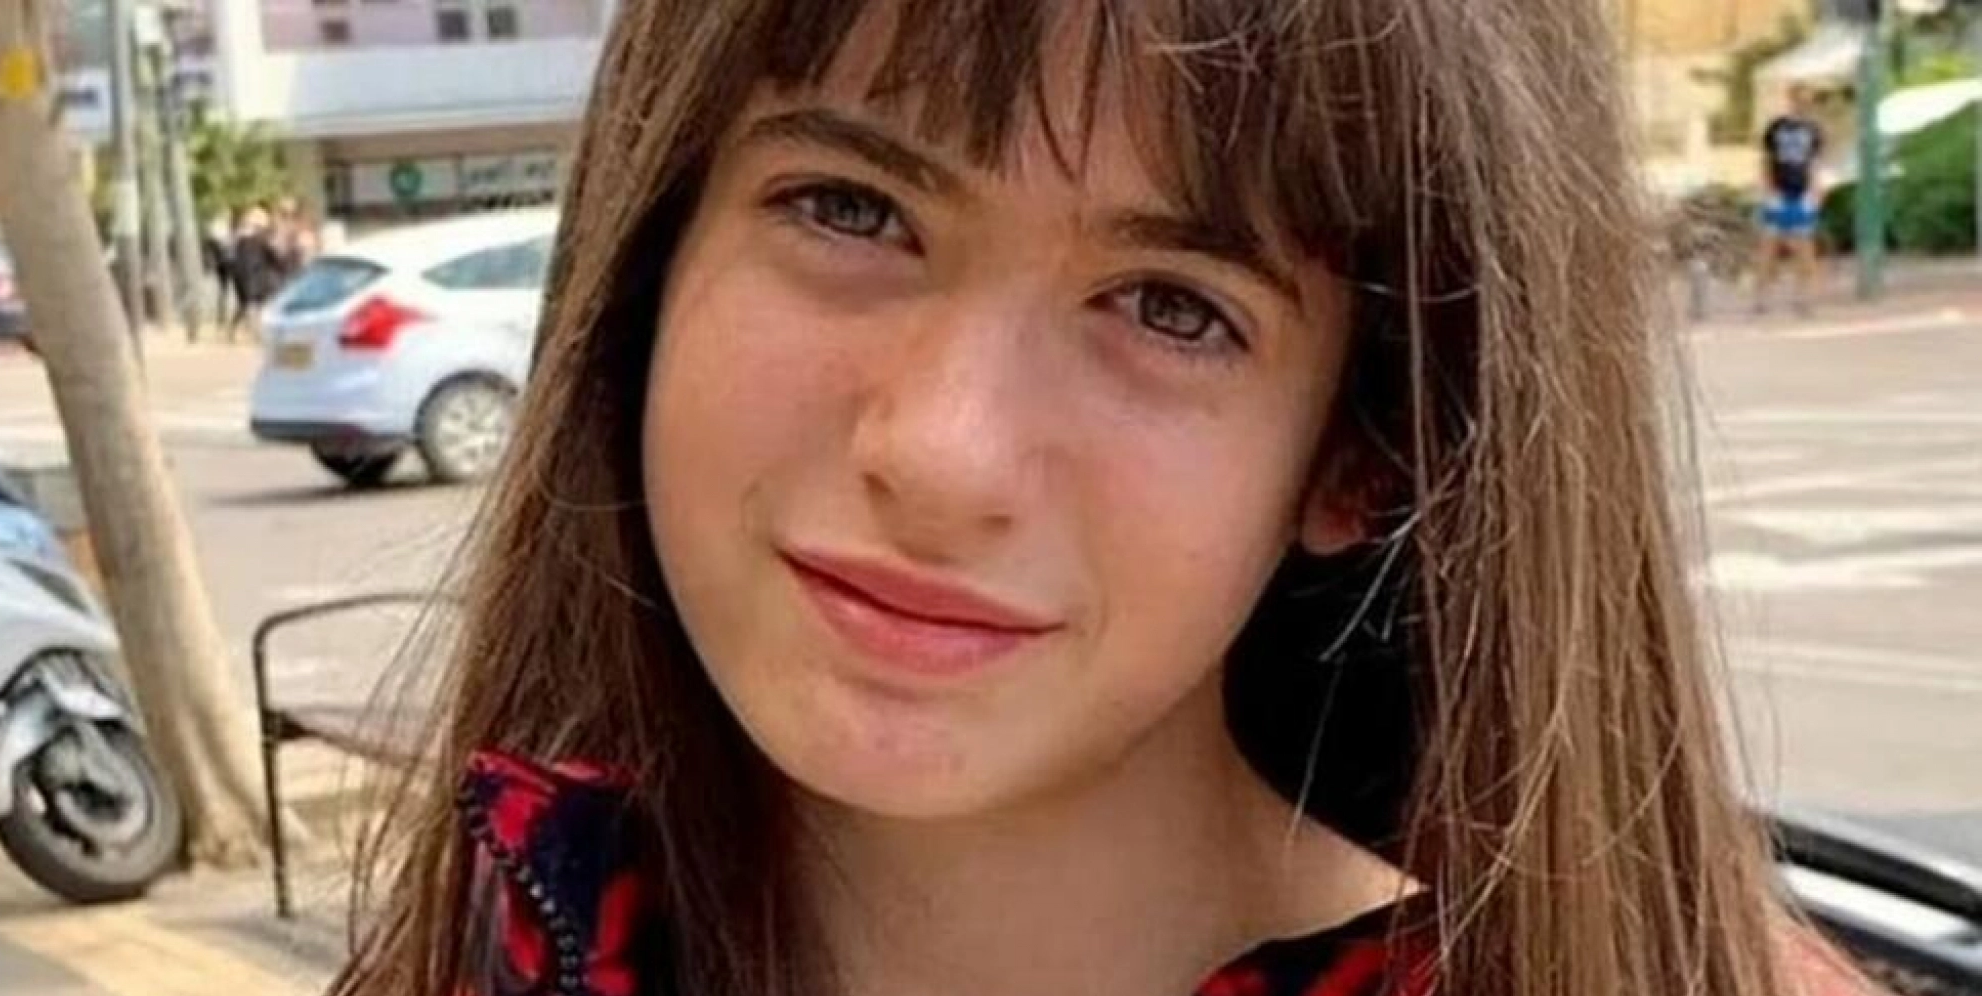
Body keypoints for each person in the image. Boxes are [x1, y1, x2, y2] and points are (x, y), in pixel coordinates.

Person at [332, 4, 1875, 996]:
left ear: (1365, 454)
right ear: (655, 255)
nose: (945, 453)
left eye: (1173, 307)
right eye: (851, 207)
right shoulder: (508, 931)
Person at [1755, 85, 1826, 316]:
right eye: (1799, 100)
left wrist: (1815, 191)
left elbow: (1815, 163)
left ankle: (1804, 298)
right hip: (1778, 193)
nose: (1803, 105)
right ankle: (1762, 297)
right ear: (1791, 100)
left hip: (1801, 193)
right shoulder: (1776, 128)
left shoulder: (1814, 131)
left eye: (1807, 101)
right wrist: (1767, 190)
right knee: (1769, 247)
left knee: (1804, 249)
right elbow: (1766, 160)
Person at [228, 206, 282, 343]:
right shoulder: (259, 240)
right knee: (257, 305)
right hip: (256, 277)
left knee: (245, 304)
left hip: (243, 278)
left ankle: (236, 331)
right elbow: (273, 257)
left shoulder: (239, 242)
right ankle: (256, 333)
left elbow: (234, 261)